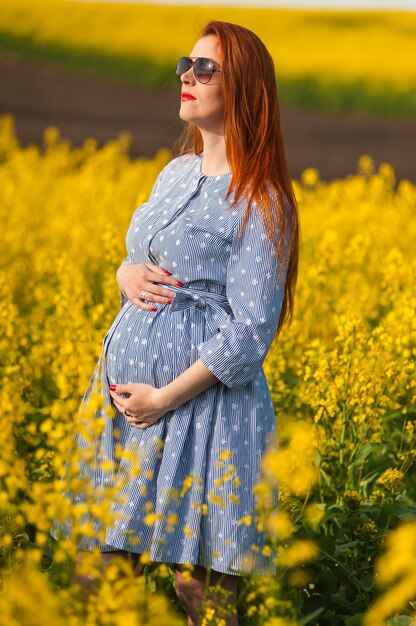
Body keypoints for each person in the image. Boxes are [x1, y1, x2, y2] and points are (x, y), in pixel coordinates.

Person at [50, 19, 299, 626]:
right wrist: (123, 274)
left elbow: (249, 333)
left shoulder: (261, 197)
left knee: (199, 592)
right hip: (126, 409)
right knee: (100, 576)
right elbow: (145, 258)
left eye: (205, 68)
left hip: (201, 412)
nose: (187, 77)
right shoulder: (175, 174)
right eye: (184, 65)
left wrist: (163, 396)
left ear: (242, 87)